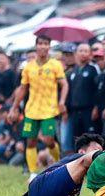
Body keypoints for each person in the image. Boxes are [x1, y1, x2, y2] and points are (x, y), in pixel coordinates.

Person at [8, 35, 69, 182]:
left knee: (48, 140)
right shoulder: (29, 67)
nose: (43, 46)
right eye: (40, 43)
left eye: (46, 43)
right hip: (31, 109)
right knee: (31, 141)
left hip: (49, 109)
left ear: (49, 46)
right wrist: (14, 107)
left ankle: (57, 163)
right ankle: (33, 173)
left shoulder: (55, 65)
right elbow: (23, 88)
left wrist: (62, 102)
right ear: (36, 46)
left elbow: (64, 85)